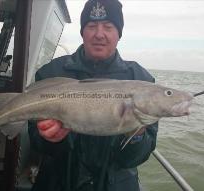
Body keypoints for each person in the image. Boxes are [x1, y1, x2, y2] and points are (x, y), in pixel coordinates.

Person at [28, 0, 158, 190]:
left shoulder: (141, 79)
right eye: (91, 26)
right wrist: (49, 138)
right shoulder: (51, 73)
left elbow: (136, 158)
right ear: (82, 32)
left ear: (118, 34)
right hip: (58, 182)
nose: (99, 34)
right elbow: (36, 142)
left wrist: (136, 135)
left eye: (108, 26)